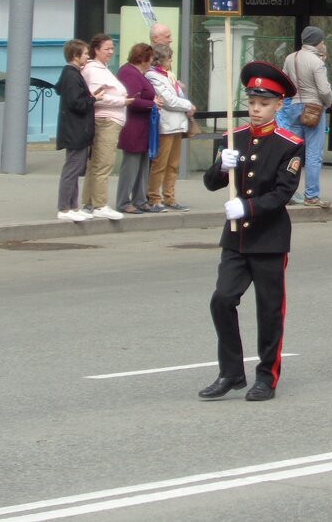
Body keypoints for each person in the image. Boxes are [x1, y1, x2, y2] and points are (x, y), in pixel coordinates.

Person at [199, 61, 304, 402]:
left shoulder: (289, 144)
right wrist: (220, 165)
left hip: (269, 238)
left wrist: (248, 207)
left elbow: (282, 193)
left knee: (269, 309)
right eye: (252, 103)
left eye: (264, 104)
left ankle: (267, 376)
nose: (256, 109)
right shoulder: (234, 136)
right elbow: (212, 183)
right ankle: (231, 372)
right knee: (222, 300)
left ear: (278, 105)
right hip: (236, 239)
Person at [281, 26, 332, 208]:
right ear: (317, 42)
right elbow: (324, 90)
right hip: (314, 109)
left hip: (294, 108)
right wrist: (327, 103)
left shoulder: (290, 58)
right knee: (313, 154)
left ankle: (287, 192)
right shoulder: (317, 62)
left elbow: (284, 83)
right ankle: (311, 195)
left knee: (293, 152)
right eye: (322, 41)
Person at [80, 33, 132, 220]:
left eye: (112, 48)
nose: (111, 52)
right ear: (96, 50)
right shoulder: (94, 70)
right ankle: (99, 204)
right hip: (105, 119)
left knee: (97, 163)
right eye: (107, 49)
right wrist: (121, 101)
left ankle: (89, 202)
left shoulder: (102, 68)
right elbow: (96, 96)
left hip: (109, 119)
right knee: (103, 163)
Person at [146, 43, 195, 212]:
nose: (171, 61)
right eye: (169, 58)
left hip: (177, 124)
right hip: (166, 125)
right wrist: (188, 105)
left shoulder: (169, 75)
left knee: (173, 164)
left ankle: (170, 196)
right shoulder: (152, 76)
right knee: (160, 164)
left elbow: (177, 96)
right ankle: (154, 197)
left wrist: (181, 93)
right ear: (159, 60)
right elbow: (168, 100)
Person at [55, 39, 96, 222]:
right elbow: (76, 103)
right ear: (75, 55)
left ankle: (73, 206)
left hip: (75, 129)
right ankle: (64, 208)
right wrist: (93, 99)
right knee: (72, 169)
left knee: (76, 167)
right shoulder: (72, 75)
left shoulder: (71, 74)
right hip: (75, 130)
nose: (88, 56)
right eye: (85, 53)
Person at [115, 43, 160, 214]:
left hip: (142, 126)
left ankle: (140, 199)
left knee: (142, 164)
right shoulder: (129, 73)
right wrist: (152, 103)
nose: (152, 62)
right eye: (151, 58)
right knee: (131, 165)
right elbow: (132, 100)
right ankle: (123, 201)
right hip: (133, 127)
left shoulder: (135, 72)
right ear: (144, 58)